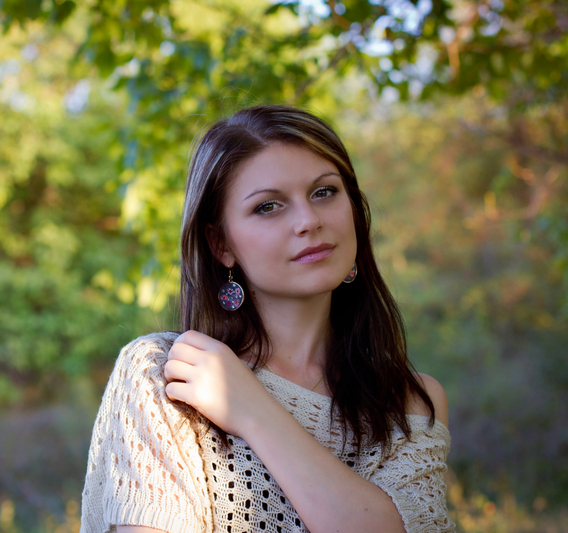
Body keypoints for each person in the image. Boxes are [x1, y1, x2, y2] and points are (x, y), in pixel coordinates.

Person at [79, 105, 455, 533]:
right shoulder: (168, 376)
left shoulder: (408, 402)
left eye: (324, 192)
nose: (309, 221)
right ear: (221, 244)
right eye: (268, 206)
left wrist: (254, 411)